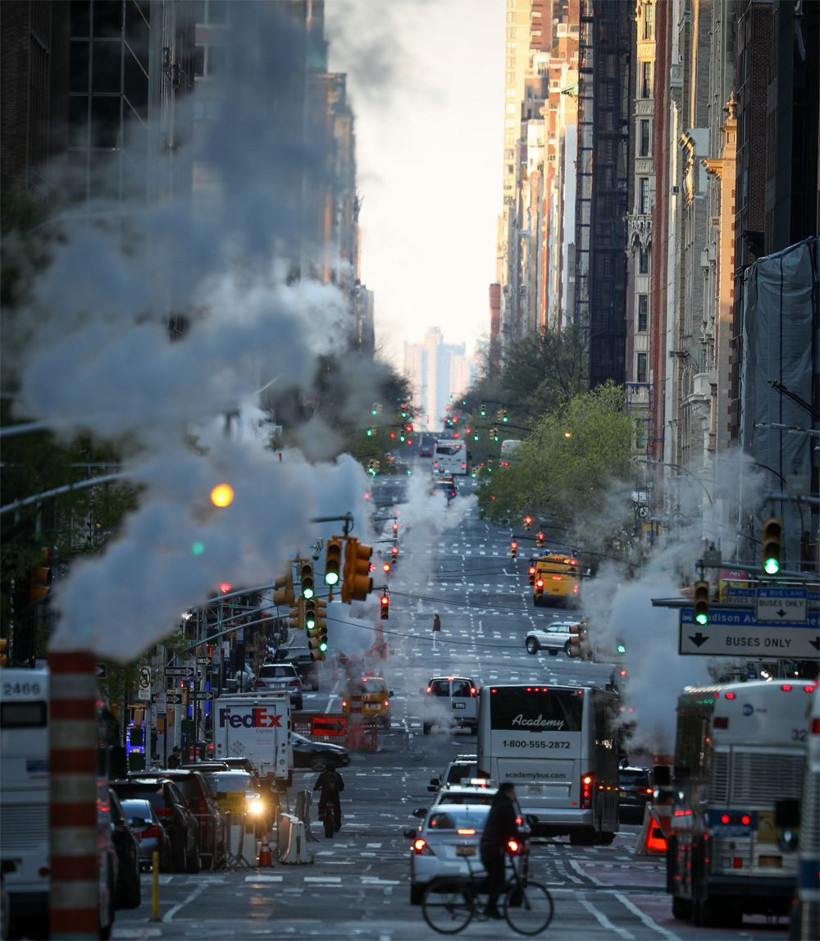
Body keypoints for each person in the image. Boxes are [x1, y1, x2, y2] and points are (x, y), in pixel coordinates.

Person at [480, 782, 522, 919]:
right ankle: (490, 907)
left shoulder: (498, 804)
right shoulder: (506, 806)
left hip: (489, 846)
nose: (515, 795)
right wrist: (522, 843)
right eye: (513, 792)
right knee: (498, 880)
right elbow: (511, 829)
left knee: (493, 879)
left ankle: (487, 905)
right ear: (508, 792)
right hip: (493, 847)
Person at [314, 763, 344, 836]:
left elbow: (317, 784)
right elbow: (342, 785)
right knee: (337, 810)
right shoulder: (337, 775)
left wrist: (316, 788)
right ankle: (337, 824)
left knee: (322, 805)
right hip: (334, 795)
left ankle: (321, 815)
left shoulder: (323, 775)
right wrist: (340, 789)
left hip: (325, 795)